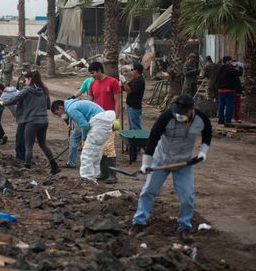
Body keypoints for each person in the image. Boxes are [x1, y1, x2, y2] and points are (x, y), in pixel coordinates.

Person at [129, 94, 212, 243]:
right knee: (148, 191)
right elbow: (153, 137)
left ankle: (185, 227)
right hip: (161, 160)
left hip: (184, 163)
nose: (179, 114)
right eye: (177, 111)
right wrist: (146, 163)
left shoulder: (201, 118)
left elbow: (208, 134)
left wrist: (202, 152)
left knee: (187, 196)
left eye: (183, 112)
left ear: (191, 110)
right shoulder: (167, 116)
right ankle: (138, 222)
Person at [0, 71, 60, 174]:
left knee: (29, 146)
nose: (25, 82)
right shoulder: (44, 90)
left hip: (32, 121)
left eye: (26, 79)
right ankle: (54, 165)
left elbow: (13, 100)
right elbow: (48, 106)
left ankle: (27, 168)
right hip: (44, 121)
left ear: (30, 79)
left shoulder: (26, 90)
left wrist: (1, 102)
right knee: (43, 145)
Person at [51, 99, 115, 181]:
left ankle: (87, 179)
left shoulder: (71, 109)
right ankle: (96, 174)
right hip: (103, 120)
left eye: (57, 113)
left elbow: (84, 125)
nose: (59, 116)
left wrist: (84, 139)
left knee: (87, 155)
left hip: (99, 122)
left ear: (60, 108)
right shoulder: (74, 104)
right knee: (96, 152)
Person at [88, 61, 121, 184]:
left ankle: (113, 175)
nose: (91, 75)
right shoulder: (92, 84)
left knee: (109, 146)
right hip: (98, 120)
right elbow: (90, 102)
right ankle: (104, 172)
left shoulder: (112, 82)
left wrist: (116, 118)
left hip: (110, 119)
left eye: (92, 73)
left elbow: (117, 101)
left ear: (99, 70)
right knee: (100, 145)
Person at [216, 56, 241, 125]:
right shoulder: (230, 69)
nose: (231, 62)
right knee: (229, 106)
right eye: (230, 61)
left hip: (220, 90)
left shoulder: (219, 69)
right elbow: (239, 73)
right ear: (227, 61)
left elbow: (216, 79)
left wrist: (218, 88)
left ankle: (220, 120)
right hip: (229, 90)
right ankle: (227, 121)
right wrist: (239, 66)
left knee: (221, 105)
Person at [122, 63, 145, 130]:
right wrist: (121, 84)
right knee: (131, 126)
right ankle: (132, 139)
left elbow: (129, 91)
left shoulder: (140, 81)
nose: (131, 71)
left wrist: (124, 82)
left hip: (134, 107)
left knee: (135, 126)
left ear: (136, 71)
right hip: (130, 105)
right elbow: (126, 88)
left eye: (132, 69)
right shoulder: (134, 80)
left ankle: (138, 139)